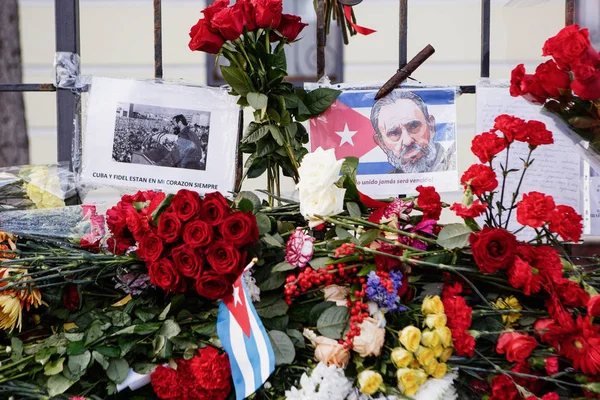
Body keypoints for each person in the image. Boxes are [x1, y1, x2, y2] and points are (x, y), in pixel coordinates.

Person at [370, 91, 455, 174]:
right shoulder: (382, 186)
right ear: (382, 144)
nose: (407, 141)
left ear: (431, 126)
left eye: (414, 126)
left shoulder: (457, 166)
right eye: (394, 133)